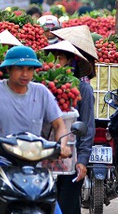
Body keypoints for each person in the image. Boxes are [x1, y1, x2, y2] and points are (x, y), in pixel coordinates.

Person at [0, 45, 71, 214]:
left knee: (52, 204)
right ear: (8, 69)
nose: (25, 74)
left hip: (32, 162)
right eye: (19, 68)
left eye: (29, 69)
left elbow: (59, 125)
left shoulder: (41, 92)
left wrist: (62, 144)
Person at [45, 35, 97, 214]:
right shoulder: (44, 87)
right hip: (44, 157)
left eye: (60, 58)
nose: (56, 63)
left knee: (67, 207)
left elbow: (87, 127)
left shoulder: (84, 90)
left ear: (71, 63)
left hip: (70, 159)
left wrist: (82, 161)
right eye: (54, 58)